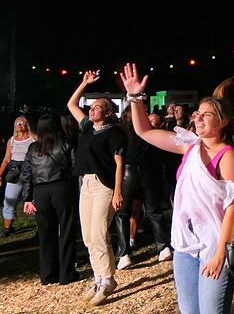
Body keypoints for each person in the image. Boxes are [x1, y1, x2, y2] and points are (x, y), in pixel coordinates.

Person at [121, 63, 234, 314]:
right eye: (197, 113)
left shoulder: (227, 156)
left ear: (223, 121)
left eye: (206, 114)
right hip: (185, 246)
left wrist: (220, 253)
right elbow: (144, 130)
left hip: (213, 245)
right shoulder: (190, 146)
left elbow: (233, 207)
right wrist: (135, 97)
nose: (197, 117)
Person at [67, 72, 127, 306]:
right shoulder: (87, 128)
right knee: (88, 236)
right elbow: (71, 103)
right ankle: (99, 277)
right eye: (91, 106)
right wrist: (84, 83)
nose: (92, 109)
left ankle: (108, 279)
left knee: (100, 233)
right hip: (86, 184)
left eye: (98, 107)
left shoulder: (115, 133)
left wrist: (118, 191)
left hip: (104, 185)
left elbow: (119, 163)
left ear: (109, 112)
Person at [20, 113, 79, 285]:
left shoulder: (33, 148)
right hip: (61, 187)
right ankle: (67, 274)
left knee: (46, 234)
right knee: (66, 230)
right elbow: (74, 167)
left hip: (40, 190)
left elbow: (27, 174)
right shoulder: (66, 143)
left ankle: (47, 274)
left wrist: (27, 198)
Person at [114, 109, 173, 270]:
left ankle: (124, 253)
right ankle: (163, 247)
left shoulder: (122, 131)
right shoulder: (149, 131)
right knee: (153, 210)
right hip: (149, 170)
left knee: (122, 214)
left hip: (128, 170)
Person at [0, 116, 34, 237]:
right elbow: (6, 159)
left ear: (27, 124)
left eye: (22, 122)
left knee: (35, 200)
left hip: (30, 173)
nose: (19, 124)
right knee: (9, 200)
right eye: (17, 122)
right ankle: (8, 228)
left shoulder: (33, 138)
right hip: (15, 173)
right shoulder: (12, 140)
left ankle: (42, 226)